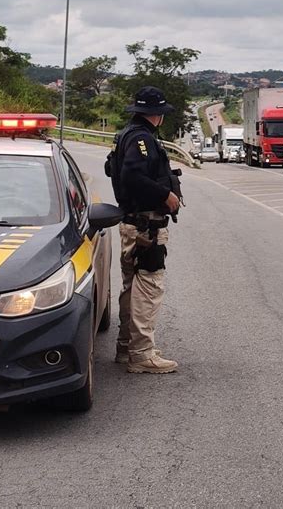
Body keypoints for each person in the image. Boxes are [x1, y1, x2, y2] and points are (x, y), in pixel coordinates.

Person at [113, 86, 180, 374]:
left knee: (133, 287)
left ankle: (127, 347)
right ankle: (141, 354)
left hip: (133, 222)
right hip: (146, 225)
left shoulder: (127, 134)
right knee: (149, 287)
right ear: (158, 115)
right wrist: (166, 196)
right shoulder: (141, 139)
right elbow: (132, 175)